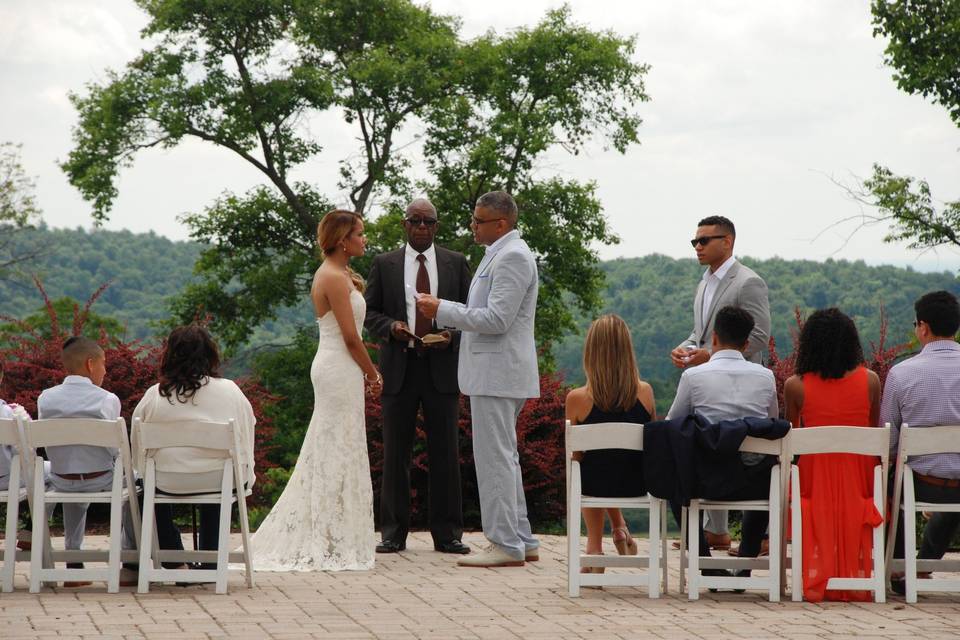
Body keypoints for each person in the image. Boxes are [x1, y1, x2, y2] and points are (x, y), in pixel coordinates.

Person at [417, 190, 540, 568]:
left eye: (478, 220)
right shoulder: (499, 254)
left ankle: (505, 543)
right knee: (505, 456)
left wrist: (443, 310)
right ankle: (521, 537)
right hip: (494, 372)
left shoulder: (514, 256)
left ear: (501, 223)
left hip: (497, 374)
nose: (472, 225)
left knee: (494, 459)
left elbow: (497, 319)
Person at [254, 209, 382, 571]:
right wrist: (373, 375)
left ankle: (337, 530)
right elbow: (351, 338)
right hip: (338, 368)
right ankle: (327, 534)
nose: (364, 239)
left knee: (341, 444)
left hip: (340, 367)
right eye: (360, 234)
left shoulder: (339, 274)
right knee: (334, 446)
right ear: (343, 239)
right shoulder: (333, 277)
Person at [364, 198, 472, 555]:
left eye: (429, 222)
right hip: (401, 367)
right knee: (396, 454)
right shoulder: (385, 264)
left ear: (437, 226)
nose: (422, 227)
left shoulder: (456, 263)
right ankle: (393, 533)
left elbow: (472, 314)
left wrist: (451, 336)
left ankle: (448, 535)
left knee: (446, 453)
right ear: (404, 224)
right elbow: (370, 313)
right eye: (415, 221)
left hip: (442, 368)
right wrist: (391, 327)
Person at [669, 215, 771, 549]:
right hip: (709, 375)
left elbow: (758, 336)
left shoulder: (748, 282)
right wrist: (686, 348)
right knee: (707, 437)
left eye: (704, 241)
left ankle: (750, 534)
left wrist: (709, 356)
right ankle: (715, 531)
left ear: (726, 242)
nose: (697, 247)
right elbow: (702, 333)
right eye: (694, 241)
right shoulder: (704, 281)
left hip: (739, 380)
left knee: (726, 444)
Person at [130, 324, 257, 571]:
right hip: (219, 479)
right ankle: (211, 563)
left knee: (145, 491)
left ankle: (173, 558)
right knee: (222, 477)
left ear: (168, 356)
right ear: (210, 355)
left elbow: (137, 450)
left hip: (167, 481)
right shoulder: (230, 391)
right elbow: (246, 434)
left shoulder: (154, 396)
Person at [666, 306, 779, 581]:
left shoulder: (693, 377)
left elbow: (672, 423)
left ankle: (705, 561)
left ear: (713, 338)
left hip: (705, 479)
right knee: (765, 467)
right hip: (753, 482)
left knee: (674, 475)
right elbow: (771, 423)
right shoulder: (766, 377)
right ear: (747, 344)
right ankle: (745, 562)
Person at [783, 308, 882, 602]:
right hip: (862, 483)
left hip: (813, 486)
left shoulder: (795, 386)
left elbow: (791, 443)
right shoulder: (871, 381)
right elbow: (871, 432)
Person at [882, 291, 960, 596]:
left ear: (923, 327)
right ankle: (925, 562)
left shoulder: (901, 374)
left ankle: (900, 568)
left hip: (920, 483)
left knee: (893, 483)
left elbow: (888, 444)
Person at [36, 336, 131, 587]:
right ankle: (131, 559)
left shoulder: (45, 398)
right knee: (134, 484)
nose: (105, 370)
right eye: (104, 364)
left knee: (58, 473)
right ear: (91, 364)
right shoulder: (107, 399)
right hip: (101, 480)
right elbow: (114, 449)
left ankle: (72, 560)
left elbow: (47, 446)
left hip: (61, 478)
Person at [565, 314, 655, 569]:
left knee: (586, 468)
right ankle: (619, 528)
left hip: (595, 485)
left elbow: (577, 457)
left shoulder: (577, 399)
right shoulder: (646, 392)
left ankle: (594, 546)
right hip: (636, 484)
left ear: (591, 352)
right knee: (612, 463)